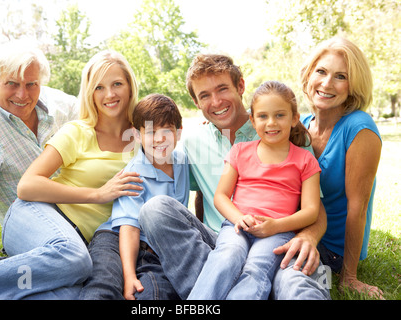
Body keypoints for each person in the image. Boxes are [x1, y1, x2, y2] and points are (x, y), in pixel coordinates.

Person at [0, 50, 142, 299]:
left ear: (130, 86)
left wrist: (209, 119)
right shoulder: (77, 131)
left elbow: (173, 146)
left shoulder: (143, 137)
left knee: (70, 293)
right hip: (38, 215)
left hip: (83, 243)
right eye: (99, 87)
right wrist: (98, 194)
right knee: (75, 259)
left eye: (117, 84)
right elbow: (26, 186)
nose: (109, 94)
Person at [139, 54, 331, 300]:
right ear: (196, 102)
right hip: (223, 240)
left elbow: (315, 208)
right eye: (205, 95)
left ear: (240, 86)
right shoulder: (193, 142)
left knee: (296, 285)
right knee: (155, 210)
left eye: (222, 89)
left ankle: (244, 289)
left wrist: (308, 237)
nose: (216, 101)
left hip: (277, 240)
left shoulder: (282, 132)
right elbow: (203, 197)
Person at [0, 39, 78, 272]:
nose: (23, 94)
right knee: (74, 260)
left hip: (77, 213)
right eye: (12, 83)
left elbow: (97, 113)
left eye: (31, 84)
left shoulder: (55, 102)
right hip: (29, 223)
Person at [188, 81, 321, 299]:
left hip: (277, 231)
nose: (271, 123)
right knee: (226, 256)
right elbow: (221, 196)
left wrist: (275, 226)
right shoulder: (240, 151)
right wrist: (239, 219)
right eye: (263, 116)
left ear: (294, 118)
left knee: (256, 268)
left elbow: (311, 211)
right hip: (236, 225)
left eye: (280, 115)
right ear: (252, 120)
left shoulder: (304, 159)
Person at [81, 94, 187, 300]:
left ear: (179, 133)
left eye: (167, 131)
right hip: (115, 236)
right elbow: (129, 229)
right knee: (104, 283)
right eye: (151, 132)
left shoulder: (182, 162)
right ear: (137, 136)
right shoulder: (134, 174)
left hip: (154, 247)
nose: (159, 139)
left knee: (154, 292)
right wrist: (129, 275)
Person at [300, 37, 383, 298]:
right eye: (321, 71)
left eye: (340, 76)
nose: (326, 83)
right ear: (309, 74)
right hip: (301, 230)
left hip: (333, 249)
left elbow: (357, 209)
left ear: (353, 86)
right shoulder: (301, 124)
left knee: (285, 273)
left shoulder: (360, 128)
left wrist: (350, 277)